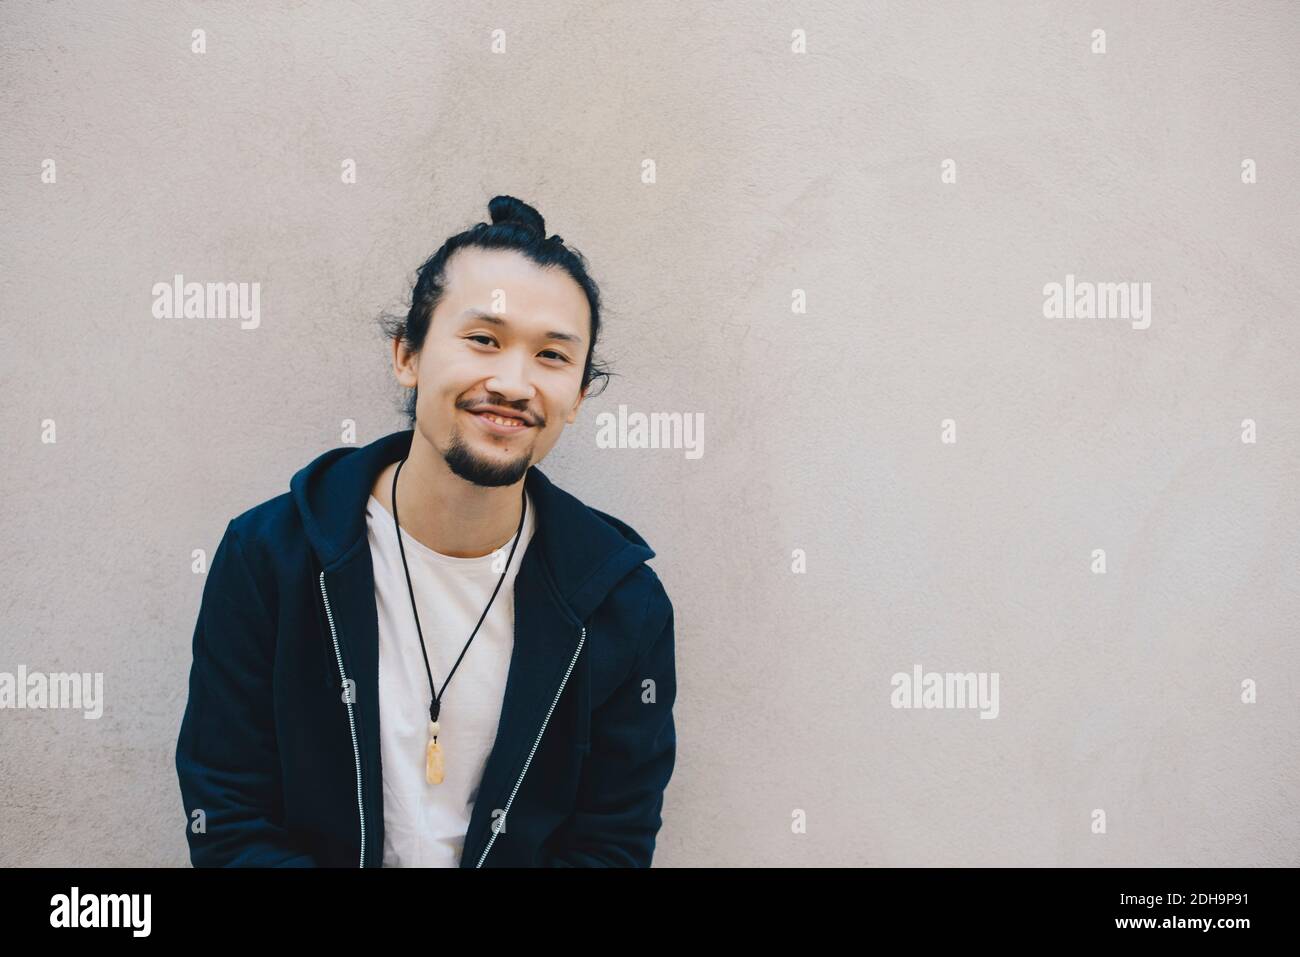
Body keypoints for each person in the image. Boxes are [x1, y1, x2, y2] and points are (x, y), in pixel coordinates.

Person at [175, 196, 676, 867]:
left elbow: (610, 846)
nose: (512, 381)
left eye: (553, 355)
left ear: (579, 396)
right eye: (483, 340)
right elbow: (229, 817)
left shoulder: (623, 605)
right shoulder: (270, 557)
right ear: (407, 354)